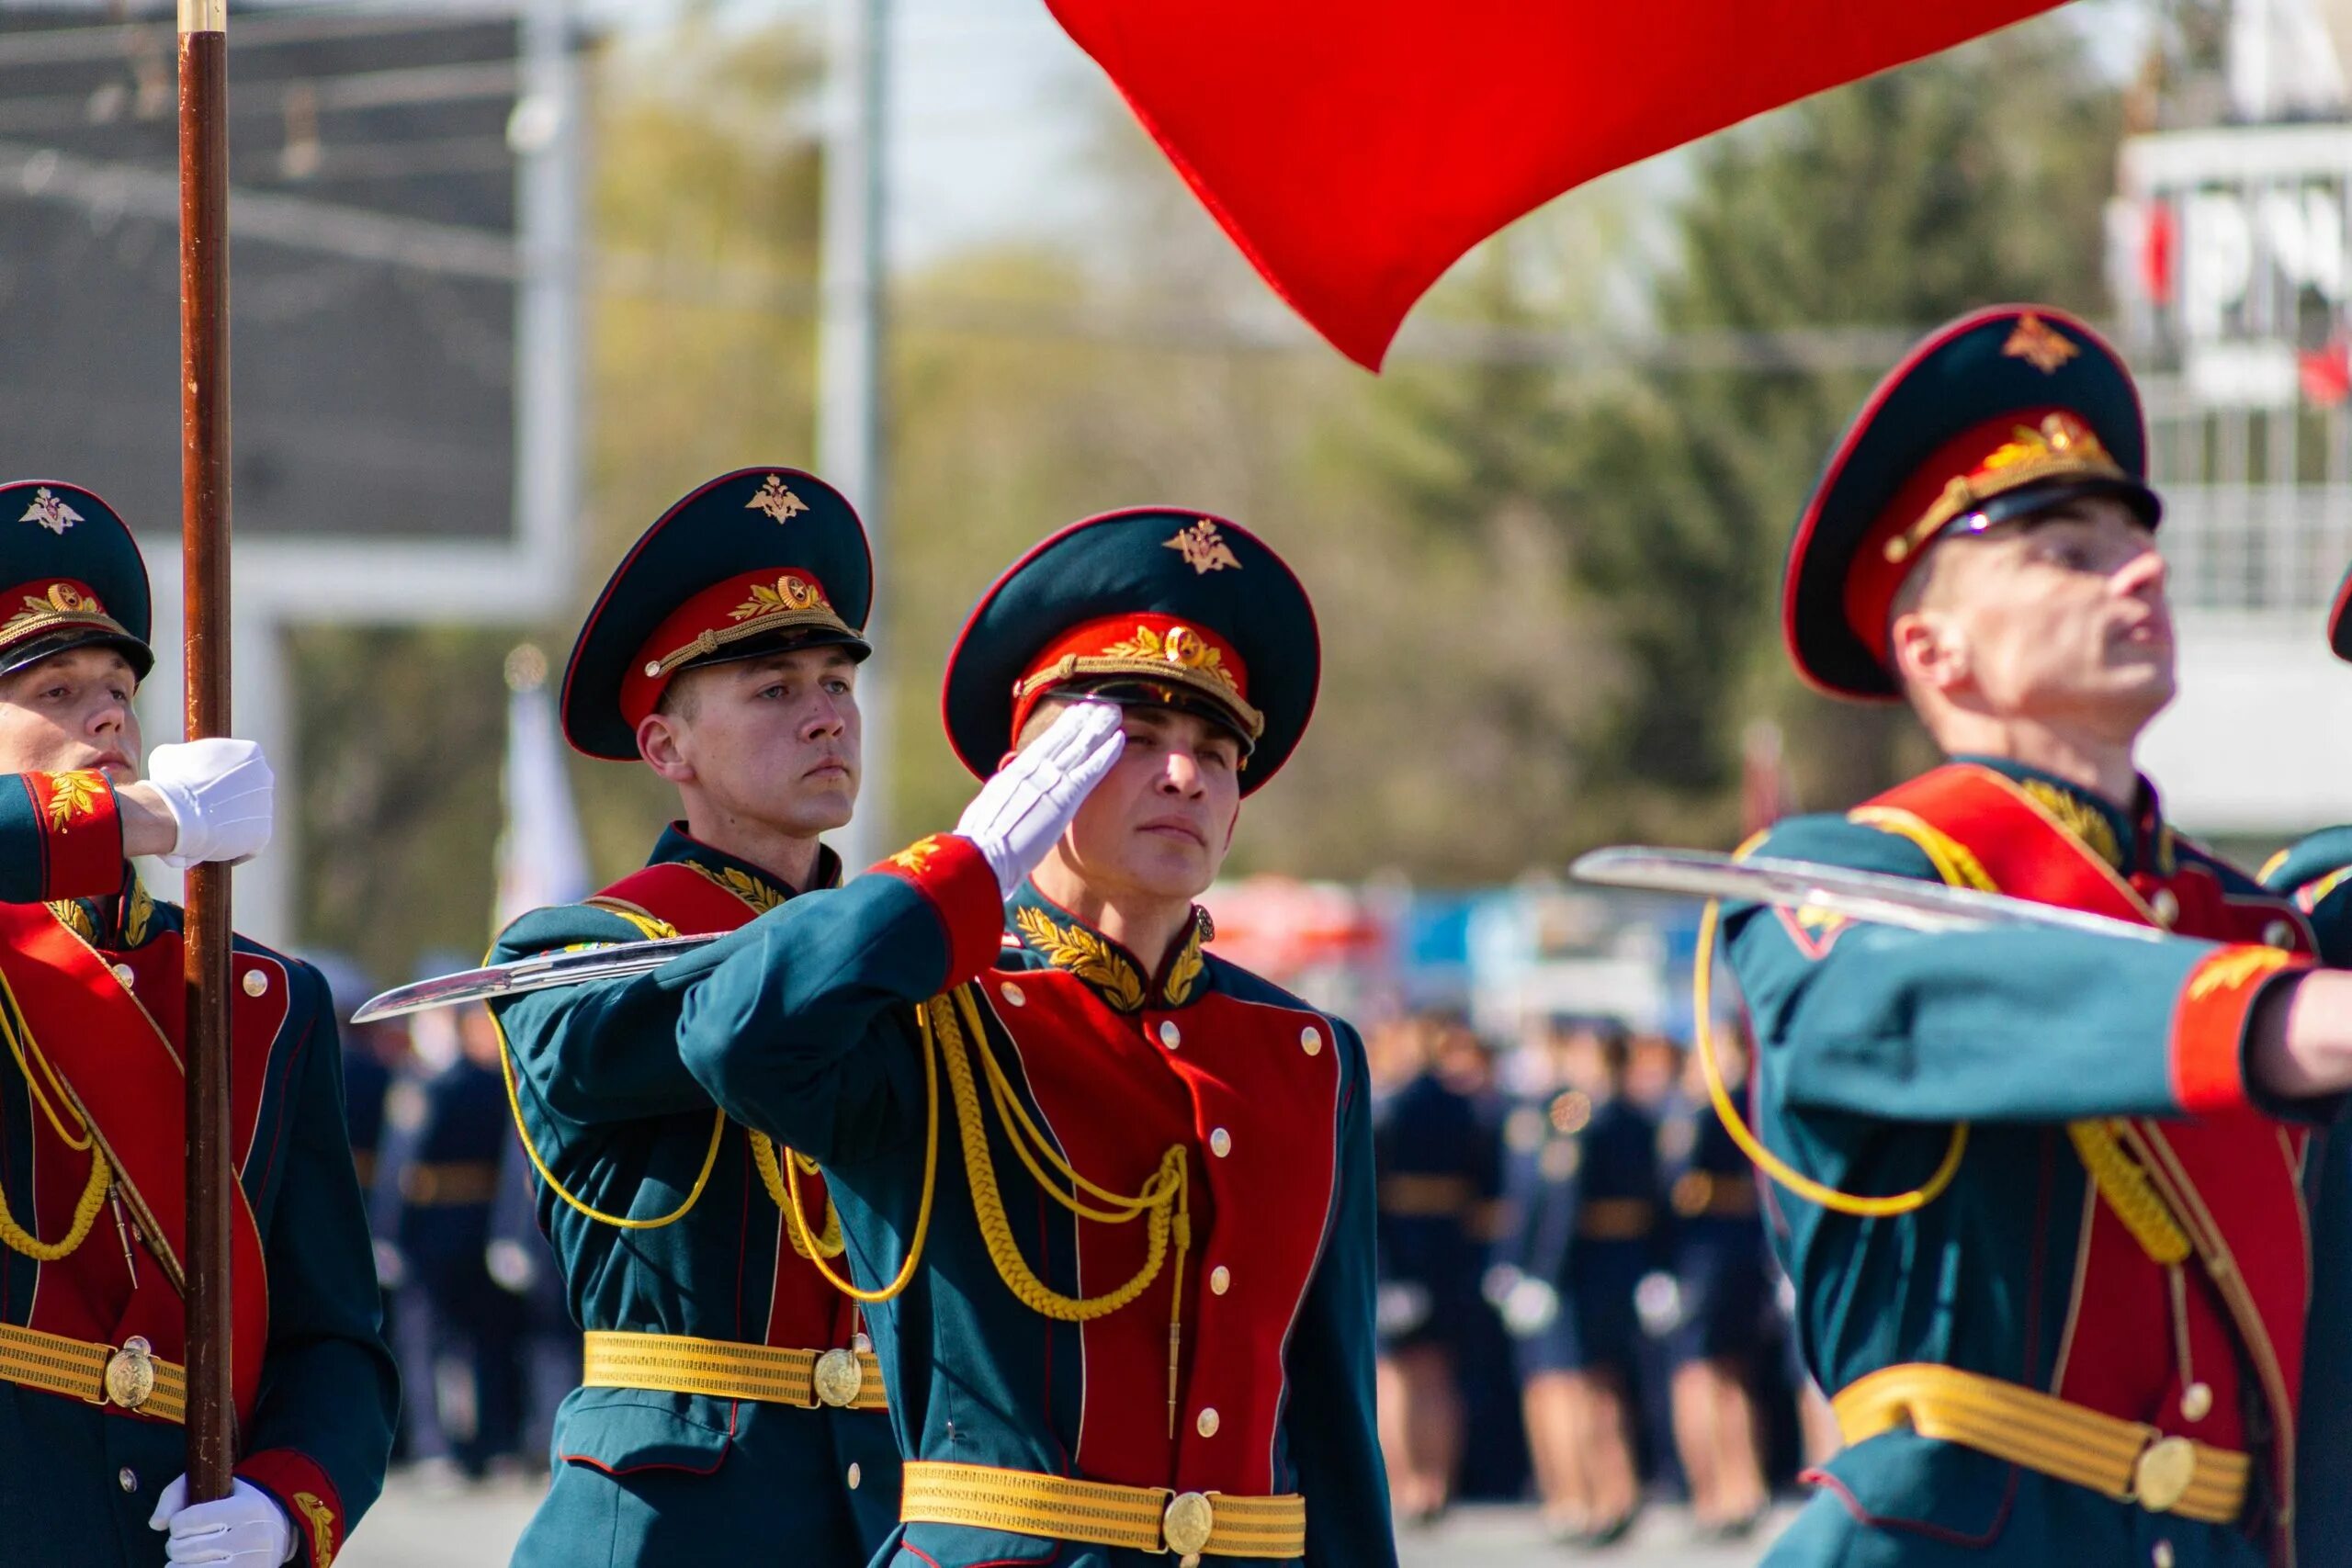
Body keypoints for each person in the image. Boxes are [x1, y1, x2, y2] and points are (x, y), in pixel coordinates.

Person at [597, 506, 1394, 1565]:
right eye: (1133, 741)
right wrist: (959, 875)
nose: (1182, 777)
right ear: (1035, 775)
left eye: (1215, 750)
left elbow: (1331, 1429)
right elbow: (734, 1042)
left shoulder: (1303, 1052)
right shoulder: (932, 1013)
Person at [1717, 305, 2352, 1566]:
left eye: (2136, 540)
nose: (2141, 570)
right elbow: (1902, 1004)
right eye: (2066, 550)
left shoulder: (2261, 920)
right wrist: (2275, 1018)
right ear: (1933, 648)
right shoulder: (1843, 879)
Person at [486, 468, 900, 1565]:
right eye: (773, 689)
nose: (825, 714)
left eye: (837, 682)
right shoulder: (568, 954)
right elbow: (729, 1017)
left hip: (884, 1507)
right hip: (668, 1518)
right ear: (667, 750)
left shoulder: (896, 962)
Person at [0, 480, 394, 1565]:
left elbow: (337, 1343)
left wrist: (287, 1505)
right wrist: (143, 819)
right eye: (55, 687)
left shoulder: (262, 1000)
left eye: (122, 685)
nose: (110, 713)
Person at [1487, 1014, 1656, 1545]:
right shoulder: (1579, 1114)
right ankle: (1590, 1498)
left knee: (1584, 1389)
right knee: (1580, 1387)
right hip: (1593, 1268)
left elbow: (1560, 1207)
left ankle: (1600, 1498)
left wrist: (1541, 1275)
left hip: (1581, 1273)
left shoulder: (1582, 1118)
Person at [1370, 1012, 1489, 1525]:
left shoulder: (1389, 1106)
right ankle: (1437, 1484)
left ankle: (1405, 1487)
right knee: (1437, 1373)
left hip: (1400, 1242)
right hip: (1449, 1248)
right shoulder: (1462, 1107)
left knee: (1397, 1377)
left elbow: (1369, 1193)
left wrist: (1389, 1270)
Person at [1657, 1017, 1770, 1540]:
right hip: (1718, 1251)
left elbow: (1678, 1187)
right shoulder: (1733, 1101)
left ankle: (1725, 1493)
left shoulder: (1717, 1105)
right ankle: (1728, 1491)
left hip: (1711, 1254)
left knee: (1708, 1375)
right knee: (1716, 1375)